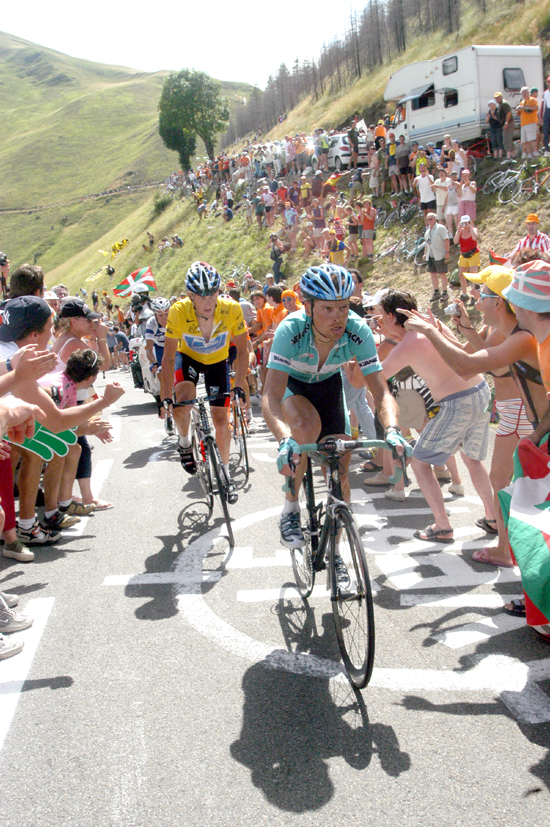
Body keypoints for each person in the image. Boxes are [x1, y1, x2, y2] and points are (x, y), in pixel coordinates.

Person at [261, 264, 409, 550]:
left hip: (329, 387)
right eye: (327, 309)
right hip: (295, 386)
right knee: (304, 428)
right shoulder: (290, 330)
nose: (338, 317)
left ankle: (337, 555)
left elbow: (381, 391)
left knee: (340, 469)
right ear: (308, 308)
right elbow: (270, 395)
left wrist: (392, 430)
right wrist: (284, 440)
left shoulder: (357, 331)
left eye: (342, 307)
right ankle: (290, 509)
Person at [379, 289, 495, 545]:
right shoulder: (433, 324)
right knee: (473, 460)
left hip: (457, 403)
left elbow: (375, 378)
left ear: (389, 316)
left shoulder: (406, 345)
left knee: (420, 463)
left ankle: (442, 526)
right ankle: (493, 517)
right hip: (479, 391)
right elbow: (461, 351)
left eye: (380, 316)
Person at [160, 262, 248, 503]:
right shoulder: (178, 311)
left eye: (213, 294)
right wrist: (165, 397)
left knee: (221, 421)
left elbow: (242, 349)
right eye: (202, 296)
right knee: (185, 397)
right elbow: (167, 359)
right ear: (191, 295)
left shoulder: (231, 309)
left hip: (218, 361)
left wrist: (239, 384)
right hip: (188, 358)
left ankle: (225, 475)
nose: (209, 301)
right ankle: (185, 441)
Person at [423, 213, 450, 302]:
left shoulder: (440, 228)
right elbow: (427, 243)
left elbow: (446, 240)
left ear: (435, 219)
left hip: (439, 255)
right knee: (433, 274)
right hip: (431, 256)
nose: (429, 221)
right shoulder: (427, 232)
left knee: (442, 274)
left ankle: (445, 292)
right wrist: (425, 253)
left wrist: (447, 252)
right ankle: (436, 292)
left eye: (431, 219)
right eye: (427, 219)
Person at [454, 215, 480, 301]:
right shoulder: (460, 232)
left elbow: (475, 237)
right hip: (464, 254)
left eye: (467, 222)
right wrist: (458, 230)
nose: (465, 225)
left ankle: (475, 294)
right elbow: (455, 241)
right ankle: (464, 293)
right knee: (461, 275)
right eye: (463, 223)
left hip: (473, 253)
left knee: (473, 274)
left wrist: (470, 227)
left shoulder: (474, 229)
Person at [516, 85, 539, 159]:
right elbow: (517, 113)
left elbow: (536, 107)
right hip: (523, 124)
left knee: (532, 139)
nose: (524, 94)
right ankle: (529, 154)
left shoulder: (533, 99)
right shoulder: (522, 102)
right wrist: (518, 109)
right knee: (525, 141)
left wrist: (526, 107)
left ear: (528, 92)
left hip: (531, 122)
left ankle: (535, 152)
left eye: (525, 92)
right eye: (522, 93)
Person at [542, 76, 550, 155]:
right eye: (548, 82)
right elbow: (542, 105)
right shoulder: (545, 93)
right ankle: (547, 150)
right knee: (546, 131)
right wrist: (541, 116)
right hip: (547, 112)